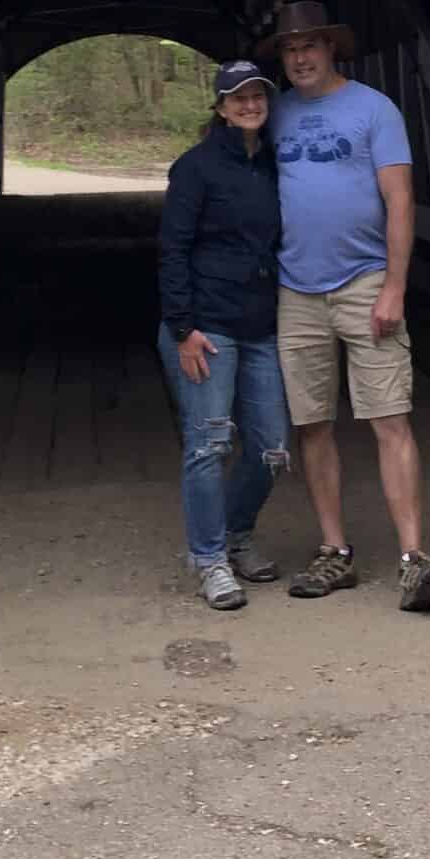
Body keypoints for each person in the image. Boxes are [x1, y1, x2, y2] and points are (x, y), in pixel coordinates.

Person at [259, 0, 430, 614]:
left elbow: (400, 199)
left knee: (388, 416)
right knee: (312, 423)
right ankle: (334, 552)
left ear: (331, 49)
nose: (299, 58)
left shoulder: (374, 109)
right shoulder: (274, 114)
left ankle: (414, 559)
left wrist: (395, 284)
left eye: (310, 46)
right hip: (295, 288)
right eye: (290, 50)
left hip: (365, 280)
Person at [157, 60, 291, 611]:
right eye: (237, 97)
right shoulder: (195, 169)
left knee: (270, 448)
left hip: (260, 325)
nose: (249, 104)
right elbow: (172, 250)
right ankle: (210, 558)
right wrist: (183, 328)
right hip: (205, 328)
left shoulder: (278, 166)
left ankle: (237, 533)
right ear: (219, 107)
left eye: (257, 95)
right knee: (209, 443)